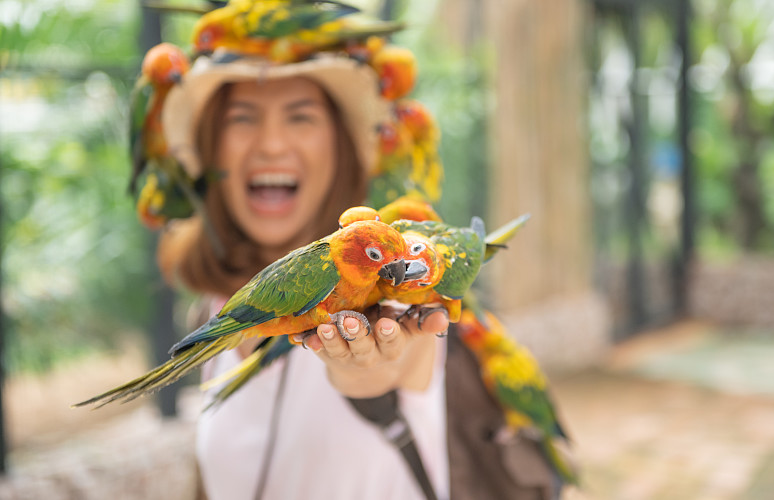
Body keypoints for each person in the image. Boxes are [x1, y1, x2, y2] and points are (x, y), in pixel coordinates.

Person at [149, 4, 568, 500]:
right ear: (212, 150)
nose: (270, 144)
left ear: (343, 145)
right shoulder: (218, 305)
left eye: (300, 116)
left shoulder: (394, 286)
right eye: (242, 117)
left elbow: (394, 359)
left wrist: (364, 364)